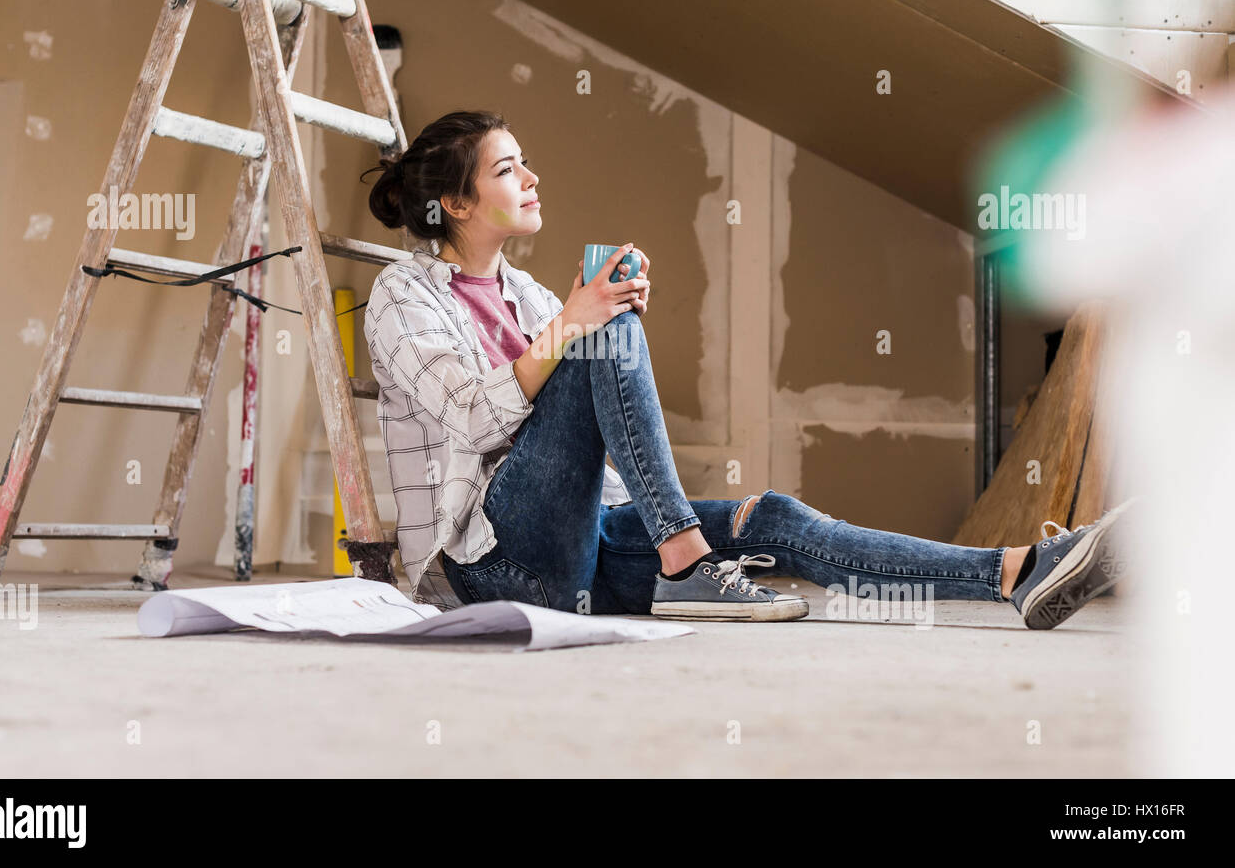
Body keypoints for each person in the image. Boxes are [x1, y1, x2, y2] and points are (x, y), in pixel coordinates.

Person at [360, 110, 1130, 627]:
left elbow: (582, 435)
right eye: (506, 169)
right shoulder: (402, 294)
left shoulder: (527, 293)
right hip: (493, 566)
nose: (531, 177)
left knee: (778, 520)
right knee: (604, 330)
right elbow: (472, 417)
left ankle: (1018, 571)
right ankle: (685, 557)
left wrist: (595, 322)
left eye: (526, 163)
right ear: (456, 206)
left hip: (582, 545)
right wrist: (584, 323)